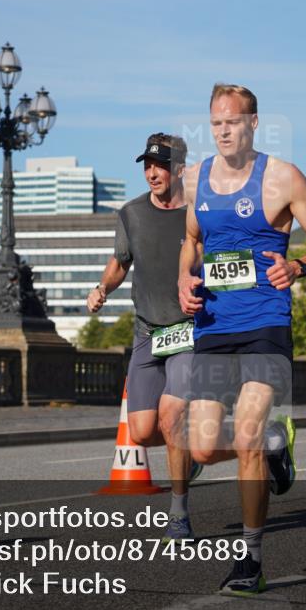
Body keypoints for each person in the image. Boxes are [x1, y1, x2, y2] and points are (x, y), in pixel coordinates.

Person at [178, 83, 306, 595]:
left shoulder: (281, 179)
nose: (224, 131)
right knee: (202, 448)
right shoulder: (194, 178)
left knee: (243, 433)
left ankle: (250, 559)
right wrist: (184, 279)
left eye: (233, 122)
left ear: (253, 123)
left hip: (267, 322)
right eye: (216, 123)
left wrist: (298, 265)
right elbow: (193, 242)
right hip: (213, 324)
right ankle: (276, 444)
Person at [87, 132, 200, 541]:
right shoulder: (131, 213)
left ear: (180, 169)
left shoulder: (198, 212)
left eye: (161, 166)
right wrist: (102, 289)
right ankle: (187, 457)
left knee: (172, 418)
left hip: (189, 331)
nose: (153, 173)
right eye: (148, 166)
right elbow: (120, 263)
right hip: (147, 331)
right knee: (141, 430)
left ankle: (179, 511)